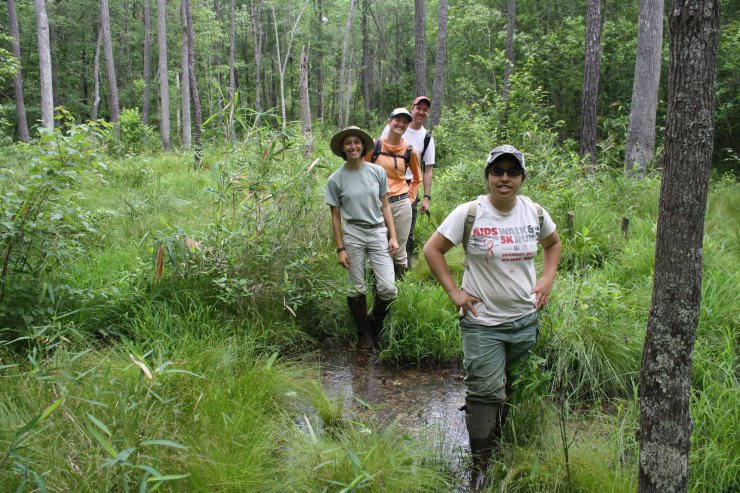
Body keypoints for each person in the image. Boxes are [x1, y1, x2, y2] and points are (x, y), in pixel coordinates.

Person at [423, 145, 561, 490]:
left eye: (512, 172)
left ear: (521, 178)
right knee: (485, 392)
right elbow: (432, 249)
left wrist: (547, 279)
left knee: (513, 387)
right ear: (487, 176)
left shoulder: (534, 212)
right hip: (482, 323)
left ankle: (500, 446)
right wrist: (455, 293)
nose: (504, 179)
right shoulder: (470, 213)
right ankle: (480, 468)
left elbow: (553, 244)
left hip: (524, 320)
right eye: (497, 171)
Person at [326, 126, 399, 349]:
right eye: (348, 143)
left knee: (388, 287)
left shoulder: (377, 172)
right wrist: (340, 248)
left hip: (378, 231)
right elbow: (335, 216)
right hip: (353, 233)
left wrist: (393, 236)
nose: (353, 146)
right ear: (342, 148)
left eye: (356, 142)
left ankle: (375, 321)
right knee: (356, 287)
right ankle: (364, 333)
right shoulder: (335, 179)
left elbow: (385, 206)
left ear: (363, 145)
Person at [380, 96, 436, 268]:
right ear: (413, 108)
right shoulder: (393, 127)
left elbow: (427, 170)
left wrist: (425, 197)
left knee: (407, 232)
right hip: (384, 185)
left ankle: (405, 269)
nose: (421, 112)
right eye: (419, 108)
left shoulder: (426, 138)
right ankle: (382, 267)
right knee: (381, 229)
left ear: (428, 113)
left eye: (425, 110)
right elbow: (379, 154)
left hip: (410, 187)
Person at [367, 108, 422, 278]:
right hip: (376, 204)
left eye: (405, 122)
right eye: (398, 120)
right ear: (389, 121)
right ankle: (375, 284)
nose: (401, 124)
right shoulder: (375, 147)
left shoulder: (410, 151)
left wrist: (410, 198)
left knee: (398, 247)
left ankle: (399, 285)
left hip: (400, 203)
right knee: (376, 246)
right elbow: (363, 171)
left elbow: (417, 178)